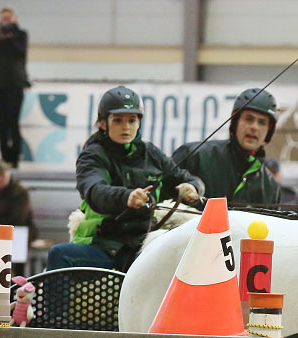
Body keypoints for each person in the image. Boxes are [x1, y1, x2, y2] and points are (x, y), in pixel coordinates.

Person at [46, 86, 203, 272]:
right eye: (118, 120)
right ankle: (56, 303)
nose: (126, 127)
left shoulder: (151, 153)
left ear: (139, 123)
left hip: (144, 245)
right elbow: (95, 190)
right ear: (103, 123)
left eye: (132, 120)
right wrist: (126, 197)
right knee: (59, 254)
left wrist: (192, 187)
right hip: (105, 245)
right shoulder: (92, 156)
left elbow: (185, 178)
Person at [172, 88, 280, 206]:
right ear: (235, 122)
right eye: (249, 119)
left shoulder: (271, 187)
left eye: (262, 122)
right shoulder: (195, 156)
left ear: (269, 131)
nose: (254, 127)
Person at [0, 7, 29, 168]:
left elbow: (19, 52)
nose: (5, 21)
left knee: (13, 122)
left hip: (15, 83)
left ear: (15, 18)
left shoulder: (21, 35)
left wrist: (9, 36)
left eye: (8, 18)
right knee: (1, 123)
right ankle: (4, 158)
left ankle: (14, 158)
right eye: (3, 18)